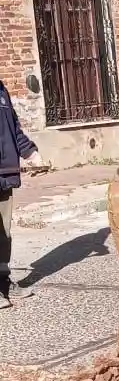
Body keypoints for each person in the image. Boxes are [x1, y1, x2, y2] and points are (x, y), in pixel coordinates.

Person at [0, 81, 43, 308]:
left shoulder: (2, 91)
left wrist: (30, 152)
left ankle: (3, 281)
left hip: (4, 173)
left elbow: (14, 127)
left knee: (4, 233)